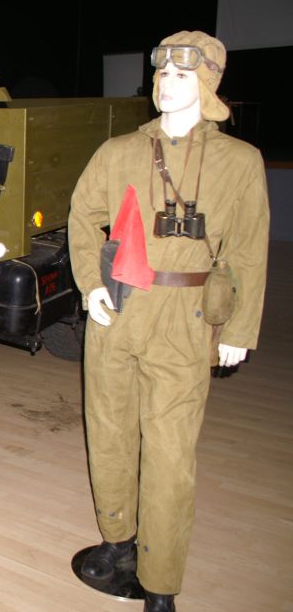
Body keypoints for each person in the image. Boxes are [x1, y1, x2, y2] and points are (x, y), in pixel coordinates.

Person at [68, 31, 269, 612]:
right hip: (118, 310)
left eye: (181, 75)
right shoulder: (118, 152)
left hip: (186, 317)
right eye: (161, 74)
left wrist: (239, 330)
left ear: (207, 83)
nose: (166, 84)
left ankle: (161, 582)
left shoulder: (240, 161)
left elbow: (250, 249)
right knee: (108, 432)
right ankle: (117, 540)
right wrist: (90, 285)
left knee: (170, 455)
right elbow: (82, 216)